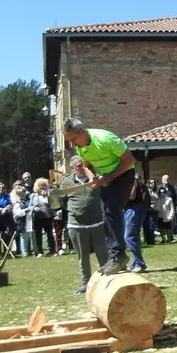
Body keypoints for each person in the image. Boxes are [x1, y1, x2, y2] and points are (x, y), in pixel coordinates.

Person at [63, 117, 137, 275]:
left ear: (82, 132)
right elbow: (87, 165)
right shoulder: (81, 147)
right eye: (70, 141)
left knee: (112, 211)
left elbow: (130, 161)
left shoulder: (105, 139)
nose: (73, 144)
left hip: (123, 174)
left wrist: (109, 177)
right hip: (106, 177)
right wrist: (92, 177)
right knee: (105, 215)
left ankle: (119, 256)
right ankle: (115, 257)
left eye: (74, 139)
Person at [61, 155, 108, 292]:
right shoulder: (66, 182)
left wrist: (89, 172)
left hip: (97, 223)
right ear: (73, 168)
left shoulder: (95, 179)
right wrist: (75, 211)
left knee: (103, 253)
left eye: (83, 166)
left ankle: (107, 280)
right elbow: (63, 201)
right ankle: (86, 282)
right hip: (77, 225)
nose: (81, 169)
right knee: (83, 256)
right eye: (78, 167)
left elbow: (101, 190)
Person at [124, 175, 149, 272]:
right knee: (134, 237)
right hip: (131, 209)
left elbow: (132, 196)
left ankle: (140, 263)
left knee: (129, 236)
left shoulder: (132, 180)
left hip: (135, 209)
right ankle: (136, 263)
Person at [30, 179, 57, 256]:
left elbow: (53, 205)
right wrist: (35, 209)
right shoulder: (33, 195)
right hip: (37, 217)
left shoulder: (49, 195)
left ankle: (53, 250)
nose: (42, 187)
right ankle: (38, 252)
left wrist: (47, 196)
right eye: (40, 185)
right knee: (37, 235)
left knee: (50, 234)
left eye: (44, 185)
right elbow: (30, 206)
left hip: (48, 216)